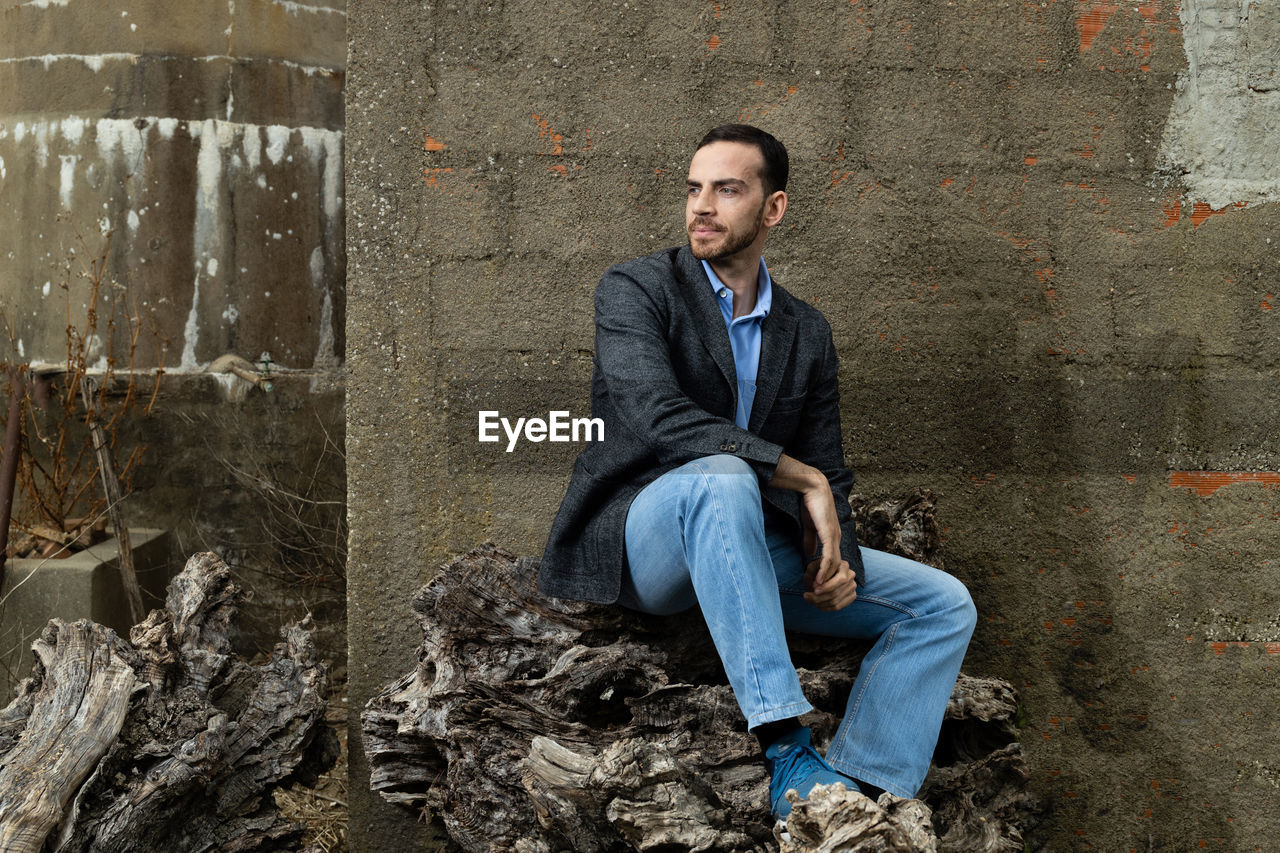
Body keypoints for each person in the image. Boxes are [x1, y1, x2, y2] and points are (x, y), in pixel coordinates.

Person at [540, 124, 976, 820]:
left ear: (773, 209)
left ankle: (858, 791)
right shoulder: (637, 289)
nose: (701, 206)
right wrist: (796, 477)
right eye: (694, 188)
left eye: (726, 189)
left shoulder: (806, 331)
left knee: (943, 605)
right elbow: (658, 416)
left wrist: (835, 555)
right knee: (720, 475)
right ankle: (784, 745)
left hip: (747, 541)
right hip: (646, 537)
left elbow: (827, 468)